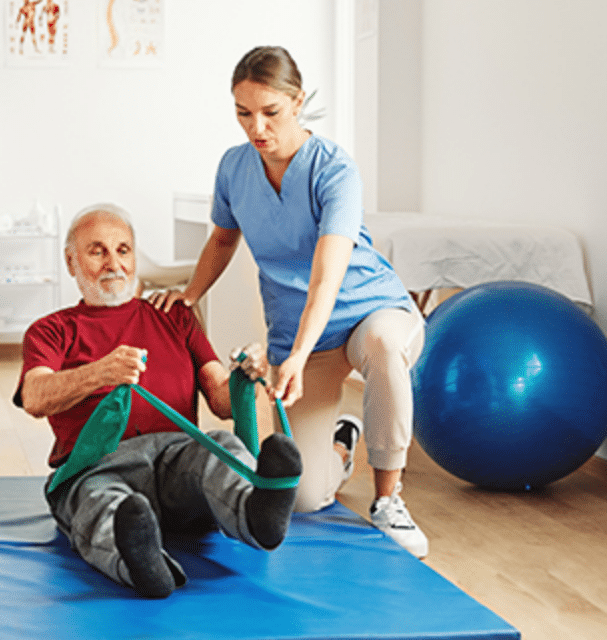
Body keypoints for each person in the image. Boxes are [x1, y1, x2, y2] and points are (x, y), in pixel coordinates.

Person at [149, 46, 428, 558]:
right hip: (301, 335)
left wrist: (295, 357)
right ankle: (343, 444)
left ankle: (390, 500)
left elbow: (327, 274)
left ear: (297, 102)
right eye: (243, 113)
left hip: (370, 309)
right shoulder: (234, 168)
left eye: (270, 112)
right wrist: (189, 295)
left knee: (386, 346)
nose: (257, 128)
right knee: (301, 498)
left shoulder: (334, 169)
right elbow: (223, 239)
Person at [13, 203, 302, 598]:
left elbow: (220, 400)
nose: (113, 263)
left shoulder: (175, 315)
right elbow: (34, 396)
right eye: (97, 251)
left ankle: (258, 517)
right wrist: (100, 372)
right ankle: (142, 563)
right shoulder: (51, 330)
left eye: (123, 249)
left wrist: (247, 374)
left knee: (223, 447)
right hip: (98, 467)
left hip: (177, 461)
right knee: (98, 502)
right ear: (71, 262)